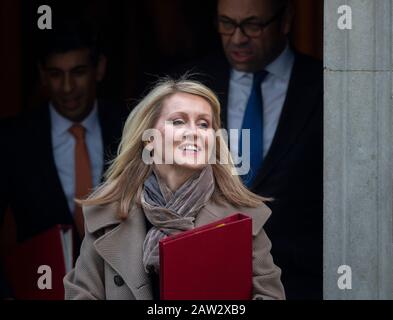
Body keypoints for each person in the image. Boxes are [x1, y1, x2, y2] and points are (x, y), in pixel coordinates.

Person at [63, 78, 285, 300]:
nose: (194, 132)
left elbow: (270, 296)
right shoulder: (108, 212)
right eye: (178, 121)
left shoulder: (243, 218)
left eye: (204, 124)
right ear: (149, 139)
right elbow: (81, 294)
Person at [167, 0, 323, 299]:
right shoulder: (188, 85)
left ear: (286, 20)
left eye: (253, 25)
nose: (237, 38)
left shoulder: (325, 85)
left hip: (301, 281)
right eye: (227, 23)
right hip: (206, 278)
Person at [0, 19, 127, 298]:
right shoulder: (12, 140)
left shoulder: (129, 128)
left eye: (78, 72)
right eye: (56, 74)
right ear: (42, 75)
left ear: (99, 69)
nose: (67, 87)